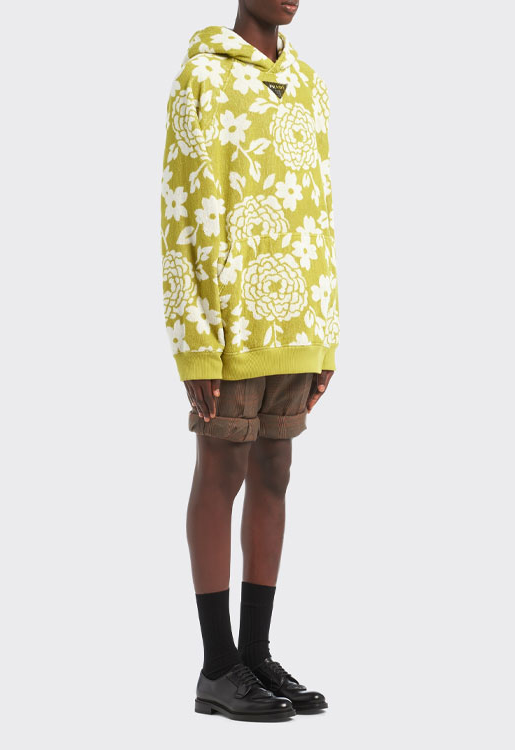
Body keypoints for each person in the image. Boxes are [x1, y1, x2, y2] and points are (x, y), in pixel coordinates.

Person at [159, 0, 339, 722]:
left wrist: (325, 325)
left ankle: (256, 655)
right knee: (221, 469)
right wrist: (193, 338)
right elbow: (180, 209)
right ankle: (217, 666)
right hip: (229, 321)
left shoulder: (309, 82)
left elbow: (318, 207)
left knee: (275, 471)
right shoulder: (200, 78)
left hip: (297, 317)